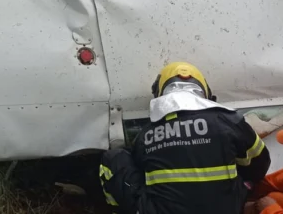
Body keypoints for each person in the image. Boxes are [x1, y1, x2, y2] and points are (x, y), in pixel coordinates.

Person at [99, 62, 270, 214]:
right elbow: (260, 164)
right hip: (227, 209)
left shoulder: (146, 134)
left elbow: (138, 171)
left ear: (159, 93)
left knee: (114, 157)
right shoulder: (228, 121)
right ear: (205, 91)